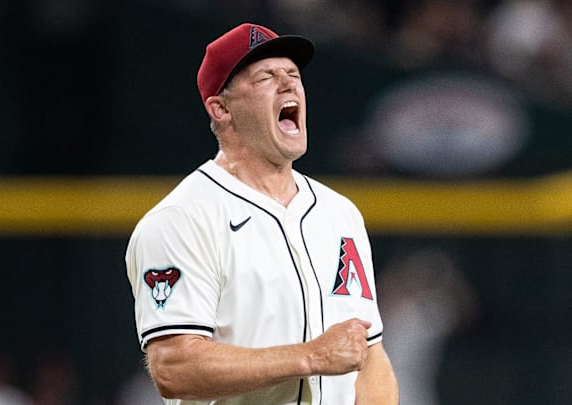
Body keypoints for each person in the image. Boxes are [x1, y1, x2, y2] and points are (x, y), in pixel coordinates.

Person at [125, 22, 398, 405]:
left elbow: (369, 357)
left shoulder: (339, 213)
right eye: (266, 77)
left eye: (293, 75)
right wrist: (311, 355)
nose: (289, 85)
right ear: (220, 108)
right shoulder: (181, 219)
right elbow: (174, 366)